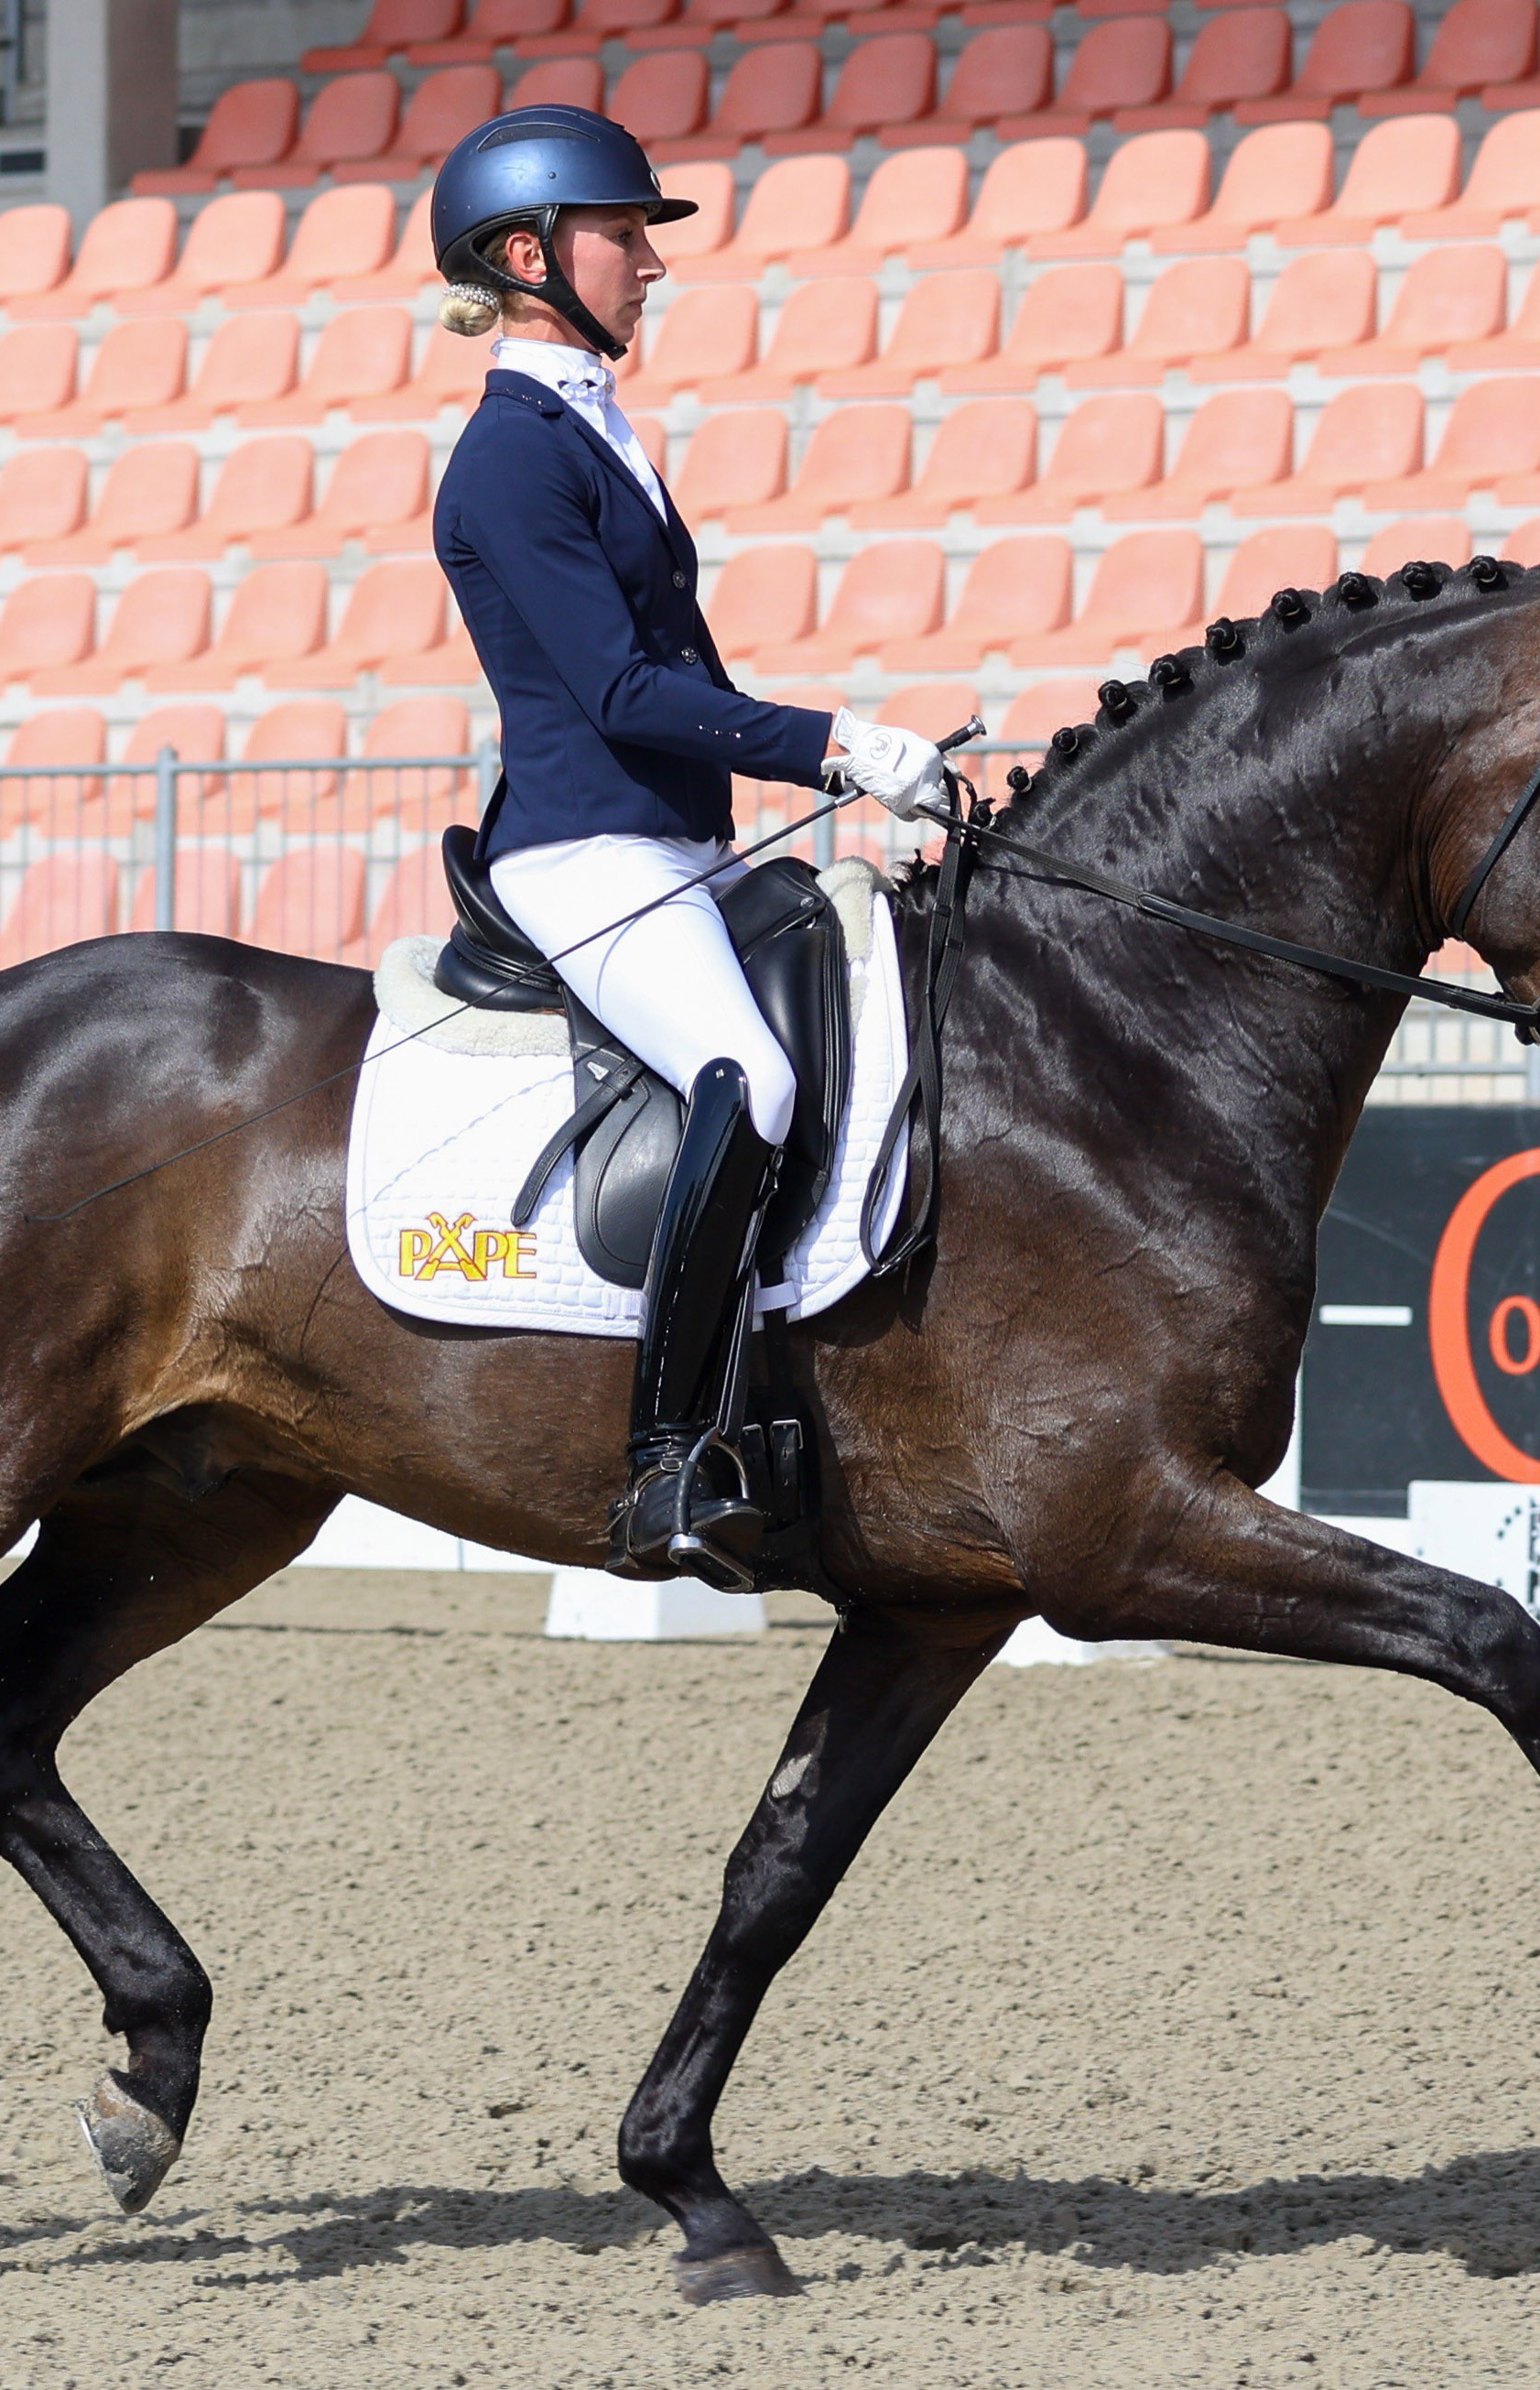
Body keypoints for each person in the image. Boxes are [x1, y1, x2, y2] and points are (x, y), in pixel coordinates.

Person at [427, 104, 950, 1588]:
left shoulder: (586, 423)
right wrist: (843, 745)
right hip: (587, 848)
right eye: (625, 235)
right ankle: (668, 1457)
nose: (651, 264)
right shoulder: (513, 459)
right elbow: (618, 693)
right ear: (528, 255)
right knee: (754, 1075)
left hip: (666, 841)